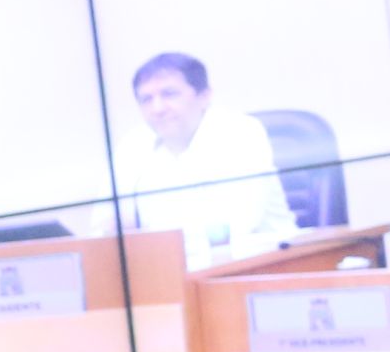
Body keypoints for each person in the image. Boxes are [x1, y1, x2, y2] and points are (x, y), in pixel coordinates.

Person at [113, 52, 298, 270]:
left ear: (204, 96)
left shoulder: (240, 132)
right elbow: (107, 231)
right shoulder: (133, 145)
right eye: (146, 99)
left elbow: (236, 227)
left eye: (169, 94)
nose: (158, 108)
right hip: (170, 274)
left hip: (262, 268)